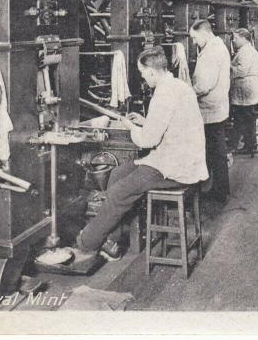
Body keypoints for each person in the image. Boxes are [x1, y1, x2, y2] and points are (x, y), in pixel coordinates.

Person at [73, 47, 208, 262]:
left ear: (152, 72)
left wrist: (130, 127)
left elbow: (148, 140)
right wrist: (145, 122)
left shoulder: (163, 94)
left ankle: (86, 243)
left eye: (143, 73)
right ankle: (112, 242)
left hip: (175, 167)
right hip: (178, 157)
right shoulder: (177, 86)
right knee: (117, 173)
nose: (143, 78)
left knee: (118, 193)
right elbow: (172, 124)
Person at [189, 19, 231, 203]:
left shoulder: (212, 51)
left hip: (210, 108)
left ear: (204, 33)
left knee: (215, 151)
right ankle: (219, 188)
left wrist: (187, 92)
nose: (193, 42)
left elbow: (205, 85)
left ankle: (219, 192)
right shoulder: (216, 46)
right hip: (217, 106)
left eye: (194, 37)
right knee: (217, 151)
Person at [229, 28, 258, 155]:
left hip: (246, 90)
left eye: (236, 38)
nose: (233, 40)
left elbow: (242, 71)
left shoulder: (246, 51)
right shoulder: (245, 50)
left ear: (243, 38)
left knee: (244, 118)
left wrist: (229, 67)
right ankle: (249, 144)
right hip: (247, 90)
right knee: (247, 118)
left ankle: (247, 145)